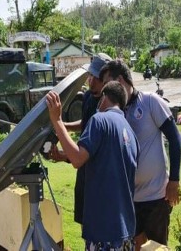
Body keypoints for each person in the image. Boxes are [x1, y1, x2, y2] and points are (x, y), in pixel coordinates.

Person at [46, 81, 139, 250]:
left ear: (103, 98)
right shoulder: (130, 132)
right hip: (125, 231)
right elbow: (104, 160)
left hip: (104, 232)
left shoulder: (99, 120)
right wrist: (62, 156)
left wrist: (57, 120)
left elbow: (78, 159)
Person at [100, 60, 181, 249]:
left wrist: (174, 180)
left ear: (120, 80)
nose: (106, 92)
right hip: (129, 200)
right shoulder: (115, 113)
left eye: (108, 85)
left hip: (156, 197)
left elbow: (175, 139)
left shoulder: (151, 102)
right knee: (133, 245)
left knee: (155, 247)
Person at [49, 53, 111, 226]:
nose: (91, 81)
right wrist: (66, 126)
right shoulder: (89, 98)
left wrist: (59, 122)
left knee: (97, 227)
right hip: (84, 175)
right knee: (86, 227)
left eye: (96, 78)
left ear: (107, 79)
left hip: (99, 180)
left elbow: (86, 153)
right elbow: (86, 124)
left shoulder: (109, 108)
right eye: (90, 75)